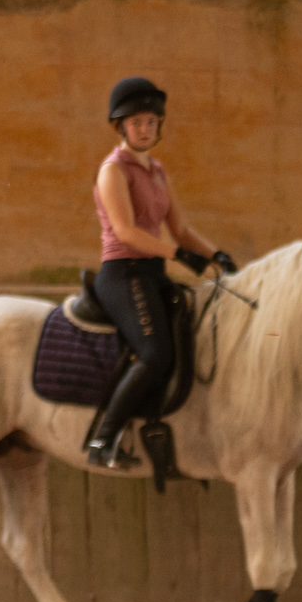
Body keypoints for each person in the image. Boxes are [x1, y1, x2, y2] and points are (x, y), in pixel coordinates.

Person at [84, 76, 237, 469]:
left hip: (152, 272)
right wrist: (181, 257)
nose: (145, 129)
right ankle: (104, 440)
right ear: (120, 126)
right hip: (123, 273)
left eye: (152, 122)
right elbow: (126, 231)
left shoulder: (157, 170)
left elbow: (181, 228)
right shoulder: (113, 171)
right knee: (154, 354)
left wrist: (216, 254)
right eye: (136, 123)